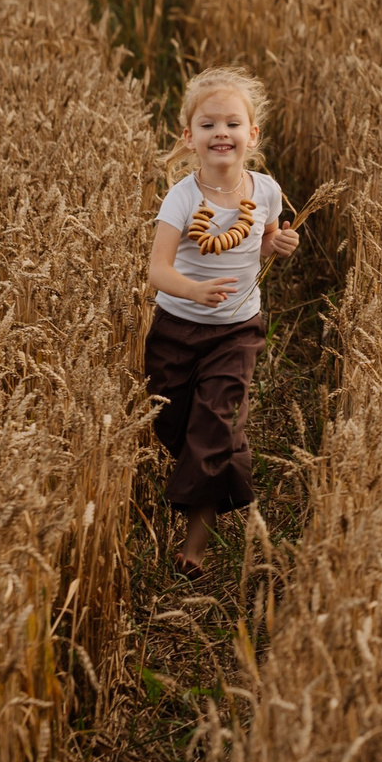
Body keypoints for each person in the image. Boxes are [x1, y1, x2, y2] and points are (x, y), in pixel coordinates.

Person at [144, 68, 299, 577]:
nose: (221, 133)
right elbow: (158, 270)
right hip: (176, 330)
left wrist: (279, 245)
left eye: (233, 123)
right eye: (208, 124)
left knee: (213, 428)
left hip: (236, 333)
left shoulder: (267, 191)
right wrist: (193, 290)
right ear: (189, 138)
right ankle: (224, 462)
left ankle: (195, 546)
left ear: (251, 135)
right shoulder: (182, 199)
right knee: (174, 424)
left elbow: (268, 238)